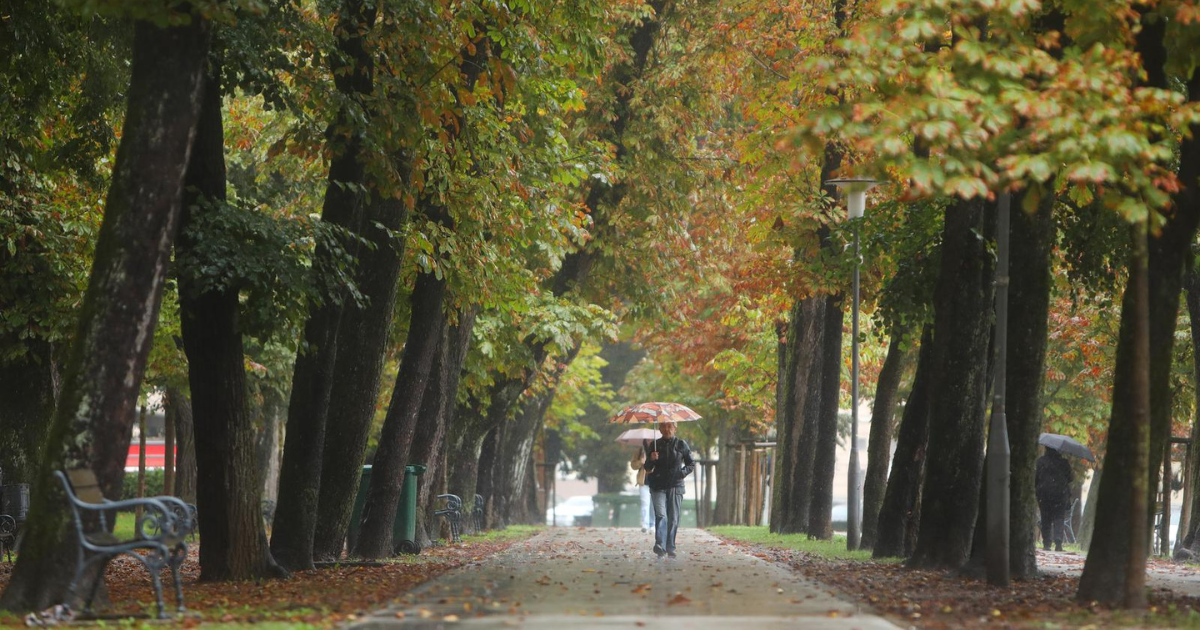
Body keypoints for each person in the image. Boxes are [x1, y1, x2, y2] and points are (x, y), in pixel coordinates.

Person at [642, 421, 695, 558]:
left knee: (673, 518)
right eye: (663, 426)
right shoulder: (654, 445)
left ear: (675, 428)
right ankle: (660, 545)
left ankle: (670, 546)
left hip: (675, 485)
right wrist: (651, 459)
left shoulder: (681, 444)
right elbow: (647, 468)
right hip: (658, 485)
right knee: (661, 515)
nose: (667, 429)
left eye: (670, 426)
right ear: (659, 429)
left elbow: (691, 463)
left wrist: (681, 473)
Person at [1036, 446, 1073, 551]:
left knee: (1045, 518)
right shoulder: (1064, 462)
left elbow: (1036, 477)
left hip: (1044, 494)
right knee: (1059, 517)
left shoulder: (1041, 461)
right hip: (1060, 494)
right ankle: (1058, 542)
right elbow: (1070, 478)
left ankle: (1047, 543)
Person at [630, 442, 653, 533]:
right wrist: (641, 462)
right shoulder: (640, 451)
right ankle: (645, 524)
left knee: (654, 505)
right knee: (645, 503)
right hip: (643, 481)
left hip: (656, 481)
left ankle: (653, 525)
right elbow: (633, 465)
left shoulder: (658, 448)